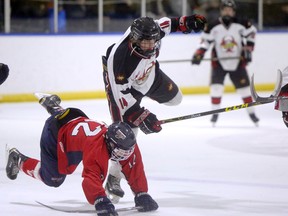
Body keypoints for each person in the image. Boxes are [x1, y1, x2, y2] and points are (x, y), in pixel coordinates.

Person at [102, 14, 206, 201]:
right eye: (145, 43)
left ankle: (148, 93)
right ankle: (113, 177)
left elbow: (168, 23)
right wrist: (143, 116)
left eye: (153, 42)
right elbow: (122, 99)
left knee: (176, 99)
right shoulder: (118, 59)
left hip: (149, 77)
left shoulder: (153, 32)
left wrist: (186, 22)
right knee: (126, 138)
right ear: (134, 39)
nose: (151, 46)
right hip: (125, 91)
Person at [5, 94, 158, 216]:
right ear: (110, 143)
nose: (124, 155)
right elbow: (90, 180)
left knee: (122, 154)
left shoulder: (125, 142)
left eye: (127, 151)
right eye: (121, 151)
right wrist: (100, 199)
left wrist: (141, 193)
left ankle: (55, 108)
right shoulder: (98, 150)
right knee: (54, 179)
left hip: (73, 119)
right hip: (56, 133)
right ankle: (17, 159)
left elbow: (134, 166)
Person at [191, 0, 259, 126]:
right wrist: (199, 53)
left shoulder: (242, 23)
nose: (227, 11)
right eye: (225, 9)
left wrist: (248, 49)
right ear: (221, 11)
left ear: (233, 11)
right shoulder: (213, 25)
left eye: (230, 9)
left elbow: (251, 33)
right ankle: (215, 114)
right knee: (216, 89)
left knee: (244, 90)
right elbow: (205, 41)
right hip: (219, 63)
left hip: (238, 62)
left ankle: (252, 114)